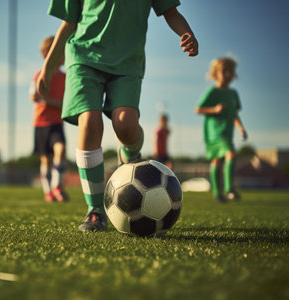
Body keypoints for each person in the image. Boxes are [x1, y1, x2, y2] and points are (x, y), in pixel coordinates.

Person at [37, 0, 198, 231]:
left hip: (127, 63)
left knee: (125, 125)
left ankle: (130, 154)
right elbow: (68, 22)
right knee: (90, 122)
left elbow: (171, 12)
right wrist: (49, 65)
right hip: (84, 57)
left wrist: (187, 34)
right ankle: (95, 211)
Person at [195, 57, 247, 203]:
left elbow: (235, 113)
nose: (228, 74)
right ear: (216, 73)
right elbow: (198, 109)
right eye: (224, 71)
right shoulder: (213, 91)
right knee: (217, 161)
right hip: (213, 134)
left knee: (230, 155)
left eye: (231, 71)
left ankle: (228, 189)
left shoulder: (233, 94)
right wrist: (215, 109)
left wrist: (241, 128)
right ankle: (219, 193)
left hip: (227, 134)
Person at [30, 35, 68, 202]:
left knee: (61, 149)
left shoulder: (66, 77)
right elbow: (34, 95)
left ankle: (57, 186)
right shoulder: (39, 74)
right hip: (40, 123)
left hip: (57, 122)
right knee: (46, 159)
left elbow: (67, 101)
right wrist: (55, 103)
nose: (65, 55)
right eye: (61, 51)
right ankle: (48, 192)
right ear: (47, 53)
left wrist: (57, 104)